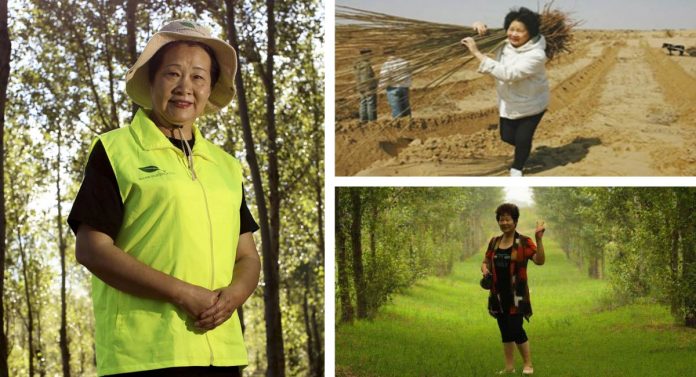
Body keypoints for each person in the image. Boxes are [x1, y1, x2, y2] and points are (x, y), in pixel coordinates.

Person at [68, 20, 262, 376]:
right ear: (152, 80)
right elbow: (91, 248)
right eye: (173, 74)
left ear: (210, 88)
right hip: (143, 356)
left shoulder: (226, 167)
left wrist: (233, 297)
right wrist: (183, 293)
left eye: (199, 77)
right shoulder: (115, 150)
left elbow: (248, 256)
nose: (185, 88)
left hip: (221, 354)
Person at [461, 7, 550, 177]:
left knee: (523, 139)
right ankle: (523, 149)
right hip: (509, 101)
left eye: (520, 31)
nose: (514, 34)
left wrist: (476, 53)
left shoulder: (537, 55)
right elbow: (477, 36)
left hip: (532, 103)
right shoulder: (503, 42)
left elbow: (509, 74)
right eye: (511, 29)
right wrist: (476, 26)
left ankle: (517, 168)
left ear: (530, 33)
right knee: (507, 137)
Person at [481, 203, 545, 375]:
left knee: (516, 328)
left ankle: (528, 364)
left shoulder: (524, 242)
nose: (504, 222)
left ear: (515, 221)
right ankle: (509, 367)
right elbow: (485, 261)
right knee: (505, 330)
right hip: (497, 294)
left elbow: (539, 260)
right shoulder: (494, 242)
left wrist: (539, 239)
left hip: (517, 295)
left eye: (508, 219)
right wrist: (485, 270)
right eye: (501, 219)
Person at [379, 46, 412, 118]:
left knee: (396, 109)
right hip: (404, 87)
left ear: (385, 54)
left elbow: (385, 77)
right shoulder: (404, 62)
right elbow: (409, 73)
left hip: (393, 88)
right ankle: (409, 124)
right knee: (406, 107)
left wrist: (381, 86)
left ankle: (399, 125)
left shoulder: (386, 65)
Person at [354, 48, 378, 123]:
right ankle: (372, 121)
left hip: (361, 87)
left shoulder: (358, 65)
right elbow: (368, 77)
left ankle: (363, 120)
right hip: (368, 87)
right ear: (365, 55)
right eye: (370, 55)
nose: (371, 56)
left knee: (363, 103)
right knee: (370, 103)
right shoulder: (366, 65)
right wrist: (374, 83)